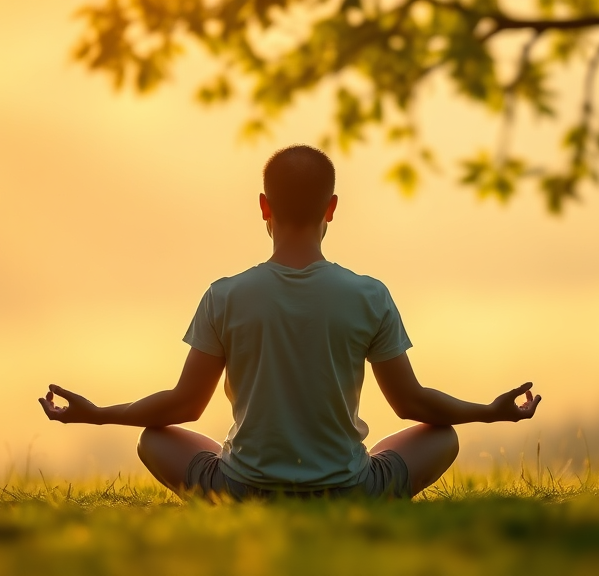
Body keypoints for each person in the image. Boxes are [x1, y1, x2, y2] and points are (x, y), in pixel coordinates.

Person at [38, 145, 542, 500]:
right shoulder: (369, 295)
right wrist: (489, 412)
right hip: (347, 493)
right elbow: (411, 404)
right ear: (332, 208)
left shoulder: (225, 296)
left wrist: (97, 413)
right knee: (443, 436)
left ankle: (241, 474)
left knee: (154, 438)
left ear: (264, 208)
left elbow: (184, 406)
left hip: (242, 493)